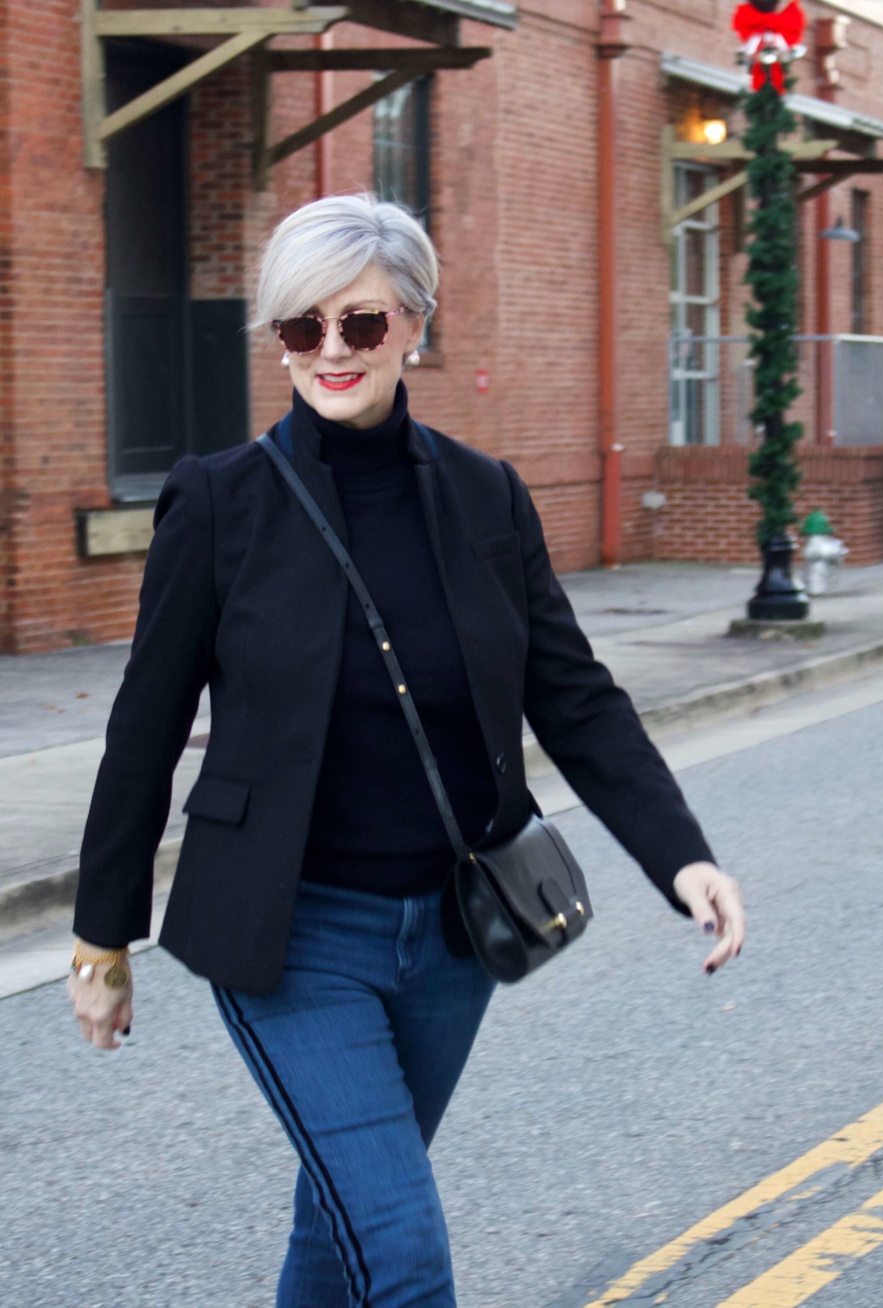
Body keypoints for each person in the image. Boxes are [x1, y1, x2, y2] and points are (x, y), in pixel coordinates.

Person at [68, 193, 745, 1307]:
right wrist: (101, 940)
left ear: (415, 325)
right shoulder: (218, 502)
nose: (331, 351)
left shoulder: (485, 496)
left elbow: (573, 697)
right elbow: (142, 727)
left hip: (451, 938)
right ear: (279, 339)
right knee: (402, 1248)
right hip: (289, 938)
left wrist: (684, 858)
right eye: (302, 328)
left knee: (345, 1234)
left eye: (362, 324)